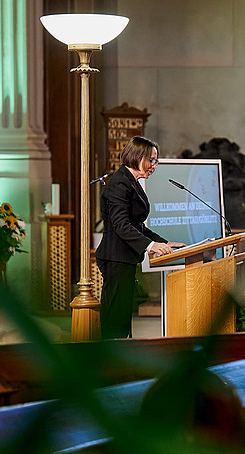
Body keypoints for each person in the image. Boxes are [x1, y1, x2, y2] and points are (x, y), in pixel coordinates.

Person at [95, 136, 186, 339]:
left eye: (156, 161)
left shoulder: (131, 182)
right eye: (151, 160)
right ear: (137, 156)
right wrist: (150, 246)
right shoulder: (119, 183)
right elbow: (121, 225)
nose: (154, 166)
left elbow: (137, 225)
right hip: (115, 258)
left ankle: (121, 362)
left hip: (124, 258)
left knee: (122, 316)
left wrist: (163, 242)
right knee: (115, 318)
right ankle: (110, 365)